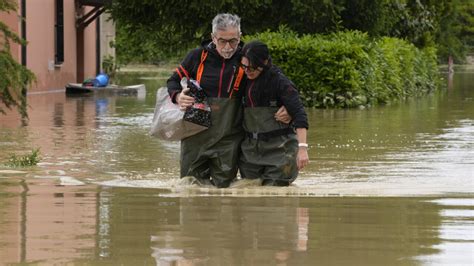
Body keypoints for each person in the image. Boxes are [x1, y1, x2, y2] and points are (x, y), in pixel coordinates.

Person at [167, 14, 290, 188]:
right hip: (194, 136)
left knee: (223, 191)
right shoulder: (196, 57)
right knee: (189, 187)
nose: (227, 47)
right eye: (222, 41)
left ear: (240, 37)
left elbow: (278, 81)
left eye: (233, 41)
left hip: (229, 138)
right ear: (213, 38)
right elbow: (172, 81)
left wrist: (289, 107)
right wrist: (178, 96)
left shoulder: (247, 58)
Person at [238, 40, 309, 186]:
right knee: (248, 191)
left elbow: (300, 115)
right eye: (244, 67)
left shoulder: (280, 82)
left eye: (252, 68)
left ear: (264, 62)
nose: (247, 71)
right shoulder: (241, 79)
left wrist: (302, 150)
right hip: (250, 152)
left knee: (276, 197)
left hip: (280, 151)